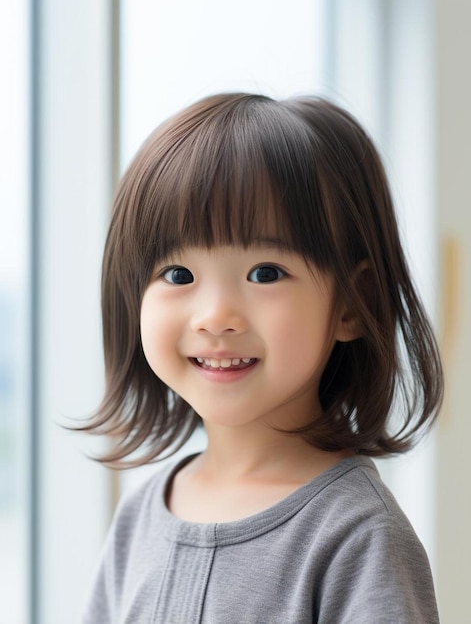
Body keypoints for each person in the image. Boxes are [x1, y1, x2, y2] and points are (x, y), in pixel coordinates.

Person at [81, 93, 443, 623]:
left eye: (265, 273)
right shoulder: (141, 514)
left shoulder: (357, 533)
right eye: (178, 275)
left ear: (352, 303)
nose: (216, 316)